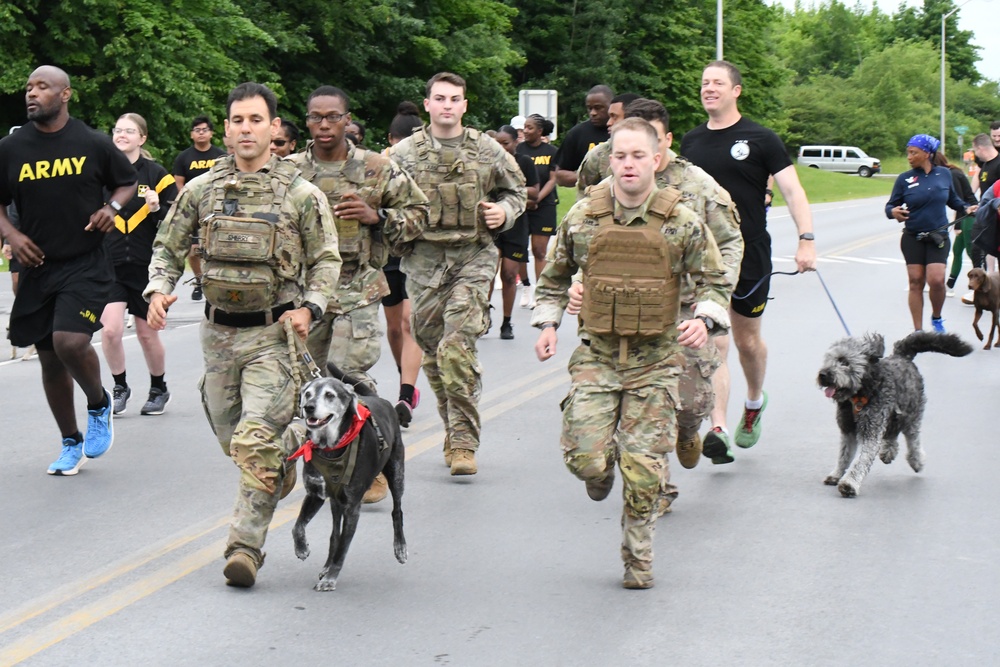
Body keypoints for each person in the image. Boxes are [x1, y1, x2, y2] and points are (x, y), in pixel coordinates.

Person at [145, 82, 341, 588]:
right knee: (237, 441)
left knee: (254, 442)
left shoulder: (301, 194)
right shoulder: (201, 190)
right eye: (238, 121)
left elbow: (326, 260)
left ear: (274, 128)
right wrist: (158, 290)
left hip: (273, 337)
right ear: (227, 129)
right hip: (217, 337)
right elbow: (168, 247)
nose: (246, 129)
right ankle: (295, 448)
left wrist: (311, 308)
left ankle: (244, 549)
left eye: (257, 120)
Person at [532, 117, 731, 588]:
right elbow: (553, 278)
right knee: (586, 461)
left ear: (656, 161)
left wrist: (703, 319)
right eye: (619, 156)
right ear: (609, 161)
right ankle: (598, 468)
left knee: (644, 473)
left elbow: (716, 280)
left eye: (638, 155)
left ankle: (637, 557)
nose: (628, 164)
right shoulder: (583, 216)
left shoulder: (682, 221)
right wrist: (548, 322)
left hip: (656, 361)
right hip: (597, 357)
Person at [566, 98, 743, 481]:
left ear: (665, 142)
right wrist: (580, 283)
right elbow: (585, 236)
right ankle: (650, 486)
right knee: (645, 410)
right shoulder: (606, 176)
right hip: (621, 305)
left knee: (692, 402)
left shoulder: (697, 185)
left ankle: (688, 431)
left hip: (684, 310)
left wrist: (712, 302)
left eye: (653, 145)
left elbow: (729, 241)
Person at [387, 71, 527, 476]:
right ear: (427, 104)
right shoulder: (403, 155)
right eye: (440, 98)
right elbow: (382, 201)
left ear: (465, 105)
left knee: (456, 346)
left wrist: (505, 212)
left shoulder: (486, 149)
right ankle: (451, 425)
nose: (447, 105)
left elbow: (516, 191)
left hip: (474, 256)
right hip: (424, 261)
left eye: (455, 99)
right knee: (433, 349)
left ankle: (464, 441)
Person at [0, 65, 137, 476]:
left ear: (65, 94)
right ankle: (70, 442)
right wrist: (12, 235)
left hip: (85, 263)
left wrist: (111, 208)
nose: (32, 93)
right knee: (49, 359)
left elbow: (126, 182)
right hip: (38, 267)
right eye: (28, 87)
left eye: (42, 87)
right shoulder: (11, 148)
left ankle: (98, 404)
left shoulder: (91, 142)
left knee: (69, 342)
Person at [680, 60, 816, 464]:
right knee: (716, 340)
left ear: (735, 90)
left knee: (746, 342)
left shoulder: (761, 139)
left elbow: (792, 191)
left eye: (717, 83)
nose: (709, 89)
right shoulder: (691, 142)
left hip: (751, 253)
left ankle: (754, 402)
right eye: (704, 83)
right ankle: (717, 427)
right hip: (706, 257)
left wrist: (806, 240)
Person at [101, 113, 178, 416]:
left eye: (129, 131)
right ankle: (120, 386)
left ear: (142, 138)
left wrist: (157, 209)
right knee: (110, 330)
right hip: (110, 265)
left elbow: (177, 222)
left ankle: (158, 387)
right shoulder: (100, 173)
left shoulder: (157, 174)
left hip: (148, 269)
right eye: (118, 130)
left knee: (147, 334)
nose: (121, 135)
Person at [886, 134, 976, 333]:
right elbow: (890, 206)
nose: (909, 157)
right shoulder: (904, 179)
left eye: (913, 152)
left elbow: (953, 200)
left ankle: (936, 318)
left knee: (936, 279)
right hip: (913, 237)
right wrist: (894, 212)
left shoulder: (944, 174)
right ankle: (918, 331)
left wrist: (967, 208)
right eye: (908, 152)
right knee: (916, 280)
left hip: (938, 236)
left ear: (927, 154)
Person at [381, 101, 426, 425]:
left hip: (420, 252)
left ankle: (406, 393)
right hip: (389, 253)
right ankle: (403, 375)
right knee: (394, 327)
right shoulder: (379, 164)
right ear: (391, 140)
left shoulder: (427, 162)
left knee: (410, 322)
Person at [491, 125, 539, 339]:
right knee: (487, 272)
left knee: (510, 274)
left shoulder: (524, 162)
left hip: (516, 224)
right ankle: (483, 314)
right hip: (491, 225)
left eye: (505, 143)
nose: (501, 147)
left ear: (515, 143)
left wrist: (514, 190)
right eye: (497, 143)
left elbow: (535, 192)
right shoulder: (487, 163)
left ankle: (506, 322)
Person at [172, 116, 226, 301]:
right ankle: (199, 279)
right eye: (197, 130)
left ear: (211, 133)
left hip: (218, 208)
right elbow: (178, 185)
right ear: (191, 134)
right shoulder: (184, 157)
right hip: (194, 208)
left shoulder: (221, 156)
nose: (201, 133)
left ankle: (218, 281)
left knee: (219, 248)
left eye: (204, 129)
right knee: (194, 249)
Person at [517, 114, 560, 304]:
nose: (525, 131)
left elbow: (553, 179)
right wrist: (526, 199)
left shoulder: (551, 151)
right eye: (524, 127)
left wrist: (537, 198)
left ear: (540, 131)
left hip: (544, 205)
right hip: (522, 205)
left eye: (529, 128)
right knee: (519, 249)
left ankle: (540, 293)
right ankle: (526, 286)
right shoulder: (519, 150)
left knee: (539, 250)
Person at [575, 92, 641, 198]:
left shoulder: (658, 152)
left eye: (614, 117)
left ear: (632, 118)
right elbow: (583, 192)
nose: (609, 123)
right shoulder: (599, 154)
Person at [553, 85, 614, 187]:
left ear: (612, 106)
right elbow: (559, 175)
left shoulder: (626, 131)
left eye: (598, 108)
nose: (593, 113)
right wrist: (587, 177)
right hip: (589, 199)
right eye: (589, 108)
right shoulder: (577, 133)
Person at [937, 152, 978, 294]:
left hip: (969, 216)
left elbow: (960, 201)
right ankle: (950, 285)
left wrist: (958, 225)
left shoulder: (952, 174)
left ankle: (981, 283)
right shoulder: (950, 172)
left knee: (972, 252)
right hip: (964, 216)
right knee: (957, 250)